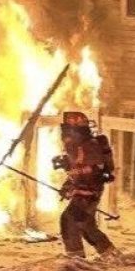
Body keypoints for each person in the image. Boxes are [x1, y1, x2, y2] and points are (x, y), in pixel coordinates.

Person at [53, 111, 117, 259]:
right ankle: (112, 256)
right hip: (85, 190)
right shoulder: (77, 146)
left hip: (88, 191)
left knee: (69, 221)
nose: (65, 135)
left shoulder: (89, 145)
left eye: (67, 129)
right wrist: (68, 185)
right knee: (87, 226)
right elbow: (79, 172)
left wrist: (68, 167)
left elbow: (94, 169)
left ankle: (76, 262)